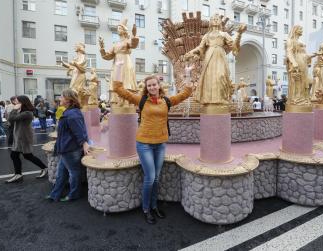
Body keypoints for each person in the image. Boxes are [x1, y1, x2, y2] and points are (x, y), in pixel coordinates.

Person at [113, 71, 192, 224]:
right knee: (150, 178)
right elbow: (119, 89)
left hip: (160, 144)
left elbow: (186, 93)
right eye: (149, 85)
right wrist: (119, 67)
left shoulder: (166, 101)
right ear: (146, 87)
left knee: (156, 178)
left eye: (154, 84)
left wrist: (187, 74)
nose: (152, 87)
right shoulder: (141, 100)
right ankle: (146, 209)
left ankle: (154, 206)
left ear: (158, 85)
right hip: (144, 144)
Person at [184, 14, 246, 105]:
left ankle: (222, 99)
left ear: (220, 21)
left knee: (221, 76)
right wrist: (190, 53)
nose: (216, 20)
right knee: (209, 77)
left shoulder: (224, 34)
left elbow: (233, 47)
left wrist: (239, 34)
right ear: (210, 22)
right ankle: (209, 101)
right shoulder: (207, 35)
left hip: (220, 55)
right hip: (209, 56)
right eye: (213, 18)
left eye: (217, 19)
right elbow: (200, 48)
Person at [48, 89, 89, 202]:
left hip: (70, 149)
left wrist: (84, 143)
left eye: (61, 97)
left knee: (74, 173)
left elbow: (80, 131)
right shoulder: (69, 112)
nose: (59, 99)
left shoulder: (72, 114)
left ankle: (74, 194)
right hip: (66, 148)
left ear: (68, 100)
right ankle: (55, 194)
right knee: (61, 173)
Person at [5, 95, 47, 183]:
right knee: (17, 155)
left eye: (17, 101)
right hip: (19, 136)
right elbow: (11, 120)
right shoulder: (22, 111)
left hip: (24, 137)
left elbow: (11, 118)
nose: (15, 103)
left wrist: (14, 109)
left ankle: (43, 168)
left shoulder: (27, 113)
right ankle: (18, 174)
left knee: (26, 155)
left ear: (22, 102)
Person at [99, 18, 138, 105]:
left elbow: (133, 45)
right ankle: (118, 100)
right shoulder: (115, 44)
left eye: (120, 28)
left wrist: (134, 35)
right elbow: (107, 56)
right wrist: (102, 48)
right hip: (117, 64)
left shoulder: (127, 41)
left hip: (126, 62)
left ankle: (127, 101)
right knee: (117, 81)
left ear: (124, 31)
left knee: (126, 81)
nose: (118, 30)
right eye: (118, 28)